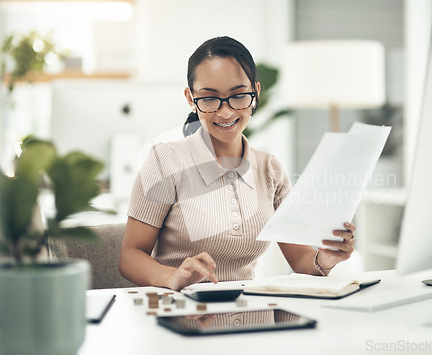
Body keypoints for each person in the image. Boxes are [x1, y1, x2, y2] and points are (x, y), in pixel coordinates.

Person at [119, 36, 355, 291]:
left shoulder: (270, 168)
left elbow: (299, 259)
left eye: (239, 96)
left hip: (252, 315)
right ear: (190, 98)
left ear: (255, 92)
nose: (226, 112)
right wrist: (172, 277)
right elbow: (130, 257)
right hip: (184, 315)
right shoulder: (165, 162)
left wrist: (327, 258)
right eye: (209, 99)